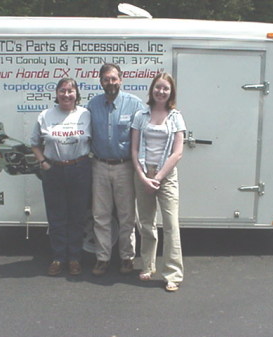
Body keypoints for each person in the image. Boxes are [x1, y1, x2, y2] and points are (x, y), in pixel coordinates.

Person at [30, 78, 91, 276]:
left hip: (79, 169)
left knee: (77, 216)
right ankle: (58, 258)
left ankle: (74, 258)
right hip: (53, 171)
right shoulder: (45, 115)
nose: (66, 95)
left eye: (70, 91)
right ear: (56, 93)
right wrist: (43, 162)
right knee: (56, 217)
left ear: (76, 94)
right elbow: (34, 143)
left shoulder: (86, 114)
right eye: (62, 91)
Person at [131, 72, 186, 292]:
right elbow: (133, 150)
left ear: (171, 92)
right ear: (151, 90)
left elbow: (178, 152)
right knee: (146, 223)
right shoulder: (140, 116)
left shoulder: (176, 117)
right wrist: (144, 176)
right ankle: (147, 265)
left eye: (165, 88)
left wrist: (159, 177)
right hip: (143, 174)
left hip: (166, 175)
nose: (161, 92)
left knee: (171, 225)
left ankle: (172, 274)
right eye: (157, 87)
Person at [88, 63, 144, 276]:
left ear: (121, 79)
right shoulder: (93, 105)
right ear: (100, 81)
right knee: (100, 215)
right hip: (99, 166)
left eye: (114, 78)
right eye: (106, 79)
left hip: (125, 167)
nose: (110, 83)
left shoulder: (134, 104)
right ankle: (102, 258)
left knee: (126, 216)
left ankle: (127, 257)